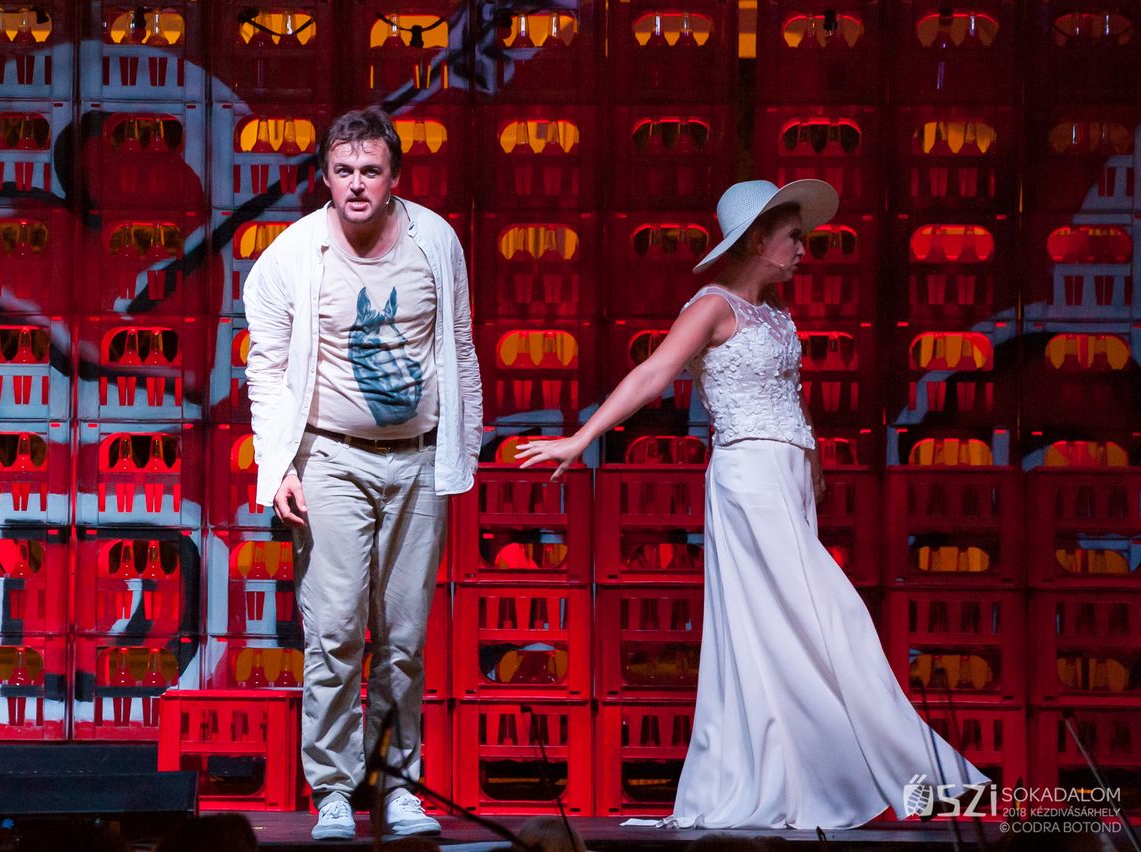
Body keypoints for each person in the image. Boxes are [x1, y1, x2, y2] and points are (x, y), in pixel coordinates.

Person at [517, 179, 989, 829]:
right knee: (838, 623)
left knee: (784, 638)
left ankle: (805, 781)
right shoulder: (712, 306)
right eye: (795, 238)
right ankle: (930, 783)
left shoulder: (774, 311)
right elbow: (654, 373)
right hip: (749, 479)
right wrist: (582, 437)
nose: (803, 250)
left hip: (786, 479)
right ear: (759, 240)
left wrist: (811, 455)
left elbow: (790, 390)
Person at [243, 107, 483, 841]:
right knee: (336, 631)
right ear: (325, 175)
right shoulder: (291, 255)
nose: (356, 184)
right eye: (343, 170)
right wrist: (278, 465)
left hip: (418, 458)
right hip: (330, 457)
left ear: (394, 177)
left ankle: (399, 787)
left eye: (370, 171)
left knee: (404, 637)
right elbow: (267, 369)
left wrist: (461, 454)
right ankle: (334, 792)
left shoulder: (434, 241)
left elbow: (460, 345)